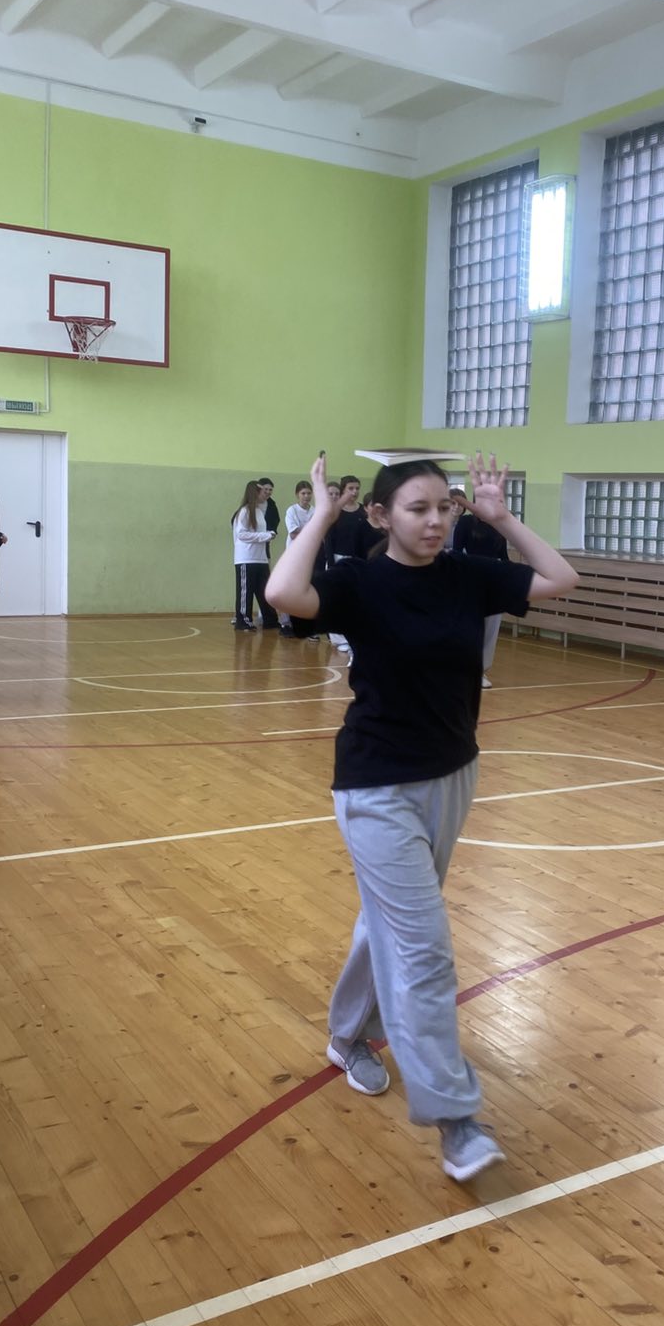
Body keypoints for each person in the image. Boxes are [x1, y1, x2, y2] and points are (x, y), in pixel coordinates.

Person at [266, 451, 578, 1181]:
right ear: (381, 515)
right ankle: (456, 1117)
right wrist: (322, 516)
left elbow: (560, 577)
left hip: (452, 776)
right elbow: (283, 592)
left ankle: (348, 1036)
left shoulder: (468, 575)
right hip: (376, 786)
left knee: (390, 922)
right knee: (424, 950)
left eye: (446, 507)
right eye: (418, 508)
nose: (436, 520)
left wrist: (502, 519)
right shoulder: (360, 582)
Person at [452, 487, 510, 689]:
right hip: (471, 577)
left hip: (494, 579)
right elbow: (457, 552)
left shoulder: (499, 524)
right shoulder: (466, 522)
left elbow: (503, 555)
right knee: (470, 627)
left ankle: (481, 671)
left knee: (491, 628)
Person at [322, 473, 374, 655]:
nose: (355, 491)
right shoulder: (335, 511)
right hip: (338, 559)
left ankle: (355, 637)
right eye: (351, 488)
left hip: (357, 562)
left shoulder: (362, 512)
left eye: (357, 488)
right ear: (343, 490)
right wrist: (331, 563)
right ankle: (339, 639)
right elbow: (328, 540)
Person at [231, 479, 279, 631]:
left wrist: (268, 534)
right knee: (246, 592)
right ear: (254, 493)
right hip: (246, 558)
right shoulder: (244, 511)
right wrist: (265, 536)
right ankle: (243, 621)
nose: (265, 493)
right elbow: (242, 534)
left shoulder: (259, 512)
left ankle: (270, 620)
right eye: (262, 491)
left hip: (261, 558)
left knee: (264, 590)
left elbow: (259, 532)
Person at [278, 479, 315, 638]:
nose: (306, 496)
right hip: (293, 555)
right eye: (303, 493)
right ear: (297, 495)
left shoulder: (314, 511)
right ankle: (285, 623)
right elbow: (293, 533)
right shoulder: (292, 511)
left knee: (307, 589)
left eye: (309, 493)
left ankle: (304, 623)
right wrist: (311, 529)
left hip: (309, 555)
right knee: (289, 589)